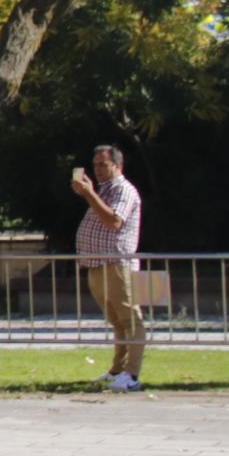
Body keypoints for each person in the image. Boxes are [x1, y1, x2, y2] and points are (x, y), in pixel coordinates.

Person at [72, 146, 145, 392]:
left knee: (130, 319)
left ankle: (132, 375)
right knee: (116, 321)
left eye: (104, 164)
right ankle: (117, 369)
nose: (98, 170)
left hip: (116, 263)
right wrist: (91, 194)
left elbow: (114, 221)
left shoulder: (124, 190)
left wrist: (90, 194)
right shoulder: (104, 191)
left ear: (118, 166)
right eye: (95, 165)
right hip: (96, 263)